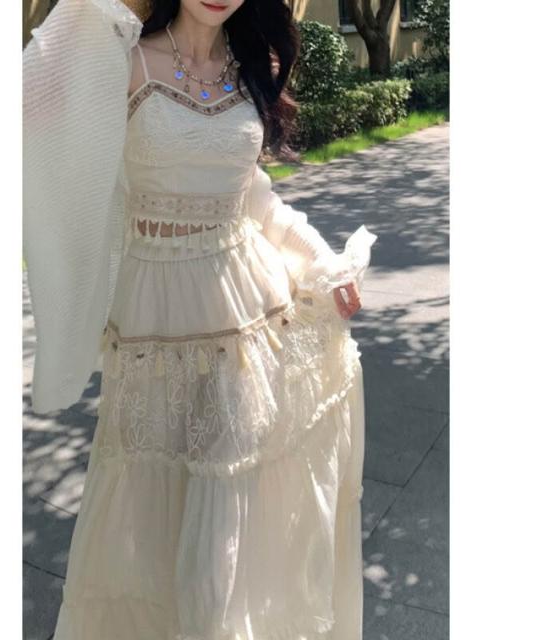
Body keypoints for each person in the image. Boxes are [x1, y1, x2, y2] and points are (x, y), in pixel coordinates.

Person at [23, 1, 378, 638]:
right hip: (152, 335)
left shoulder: (247, 68)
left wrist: (325, 264)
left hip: (248, 331)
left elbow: (257, 200)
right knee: (147, 530)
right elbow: (26, 104)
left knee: (223, 550)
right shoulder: (125, 57)